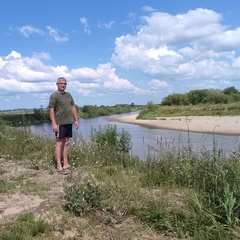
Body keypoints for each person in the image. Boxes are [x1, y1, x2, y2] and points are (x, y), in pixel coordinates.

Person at [49, 77, 79, 175]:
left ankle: (66, 163)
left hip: (68, 122)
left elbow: (73, 107)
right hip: (59, 123)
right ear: (57, 84)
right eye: (61, 83)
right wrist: (54, 123)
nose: (63, 85)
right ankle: (59, 165)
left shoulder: (68, 95)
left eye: (65, 83)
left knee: (66, 142)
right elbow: (51, 110)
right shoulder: (54, 96)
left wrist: (76, 120)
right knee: (59, 143)